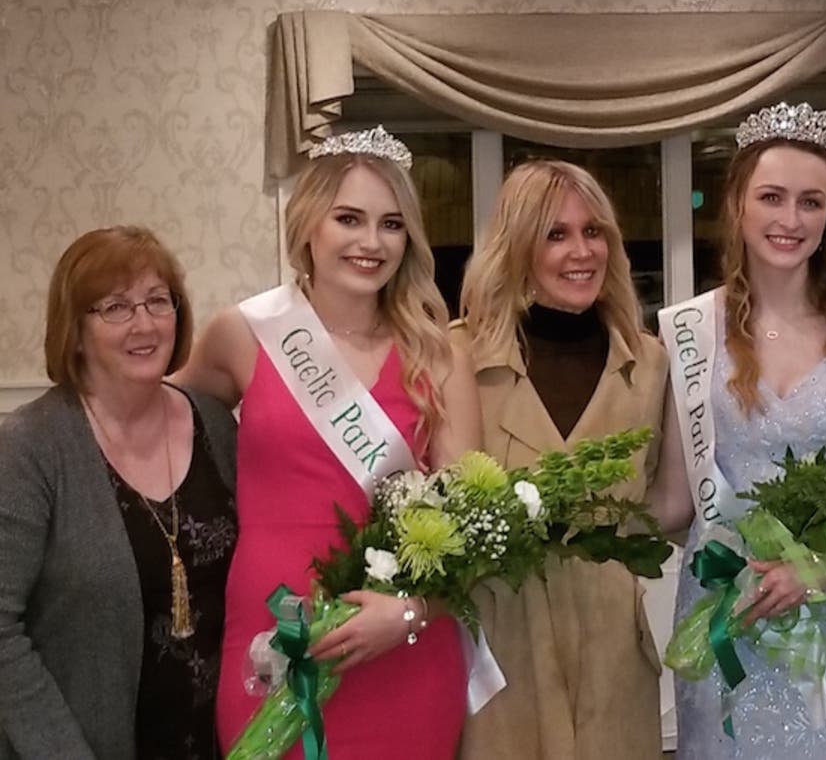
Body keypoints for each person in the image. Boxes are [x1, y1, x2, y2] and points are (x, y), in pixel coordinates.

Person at [179, 127, 482, 758]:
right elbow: (153, 420)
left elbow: (470, 525)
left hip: (403, 643)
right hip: (274, 631)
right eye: (350, 219)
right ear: (309, 224)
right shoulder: (243, 334)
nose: (371, 243)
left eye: (391, 224)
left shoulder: (441, 351)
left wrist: (406, 615)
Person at [648, 102, 826, 759]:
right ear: (738, 203)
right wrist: (568, 507)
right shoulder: (693, 332)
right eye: (772, 197)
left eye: (810, 202)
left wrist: (818, 568)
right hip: (725, 621)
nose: (791, 220)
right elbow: (676, 503)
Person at [453, 158, 669, 760]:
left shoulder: (651, 364)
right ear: (518, 246)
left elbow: (669, 502)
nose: (581, 251)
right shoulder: (459, 357)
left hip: (613, 649)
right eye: (556, 233)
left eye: (593, 231)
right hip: (503, 640)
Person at [0, 226, 238, 760]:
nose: (144, 323)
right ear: (75, 331)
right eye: (114, 307)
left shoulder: (215, 425)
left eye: (158, 301)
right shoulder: (30, 448)